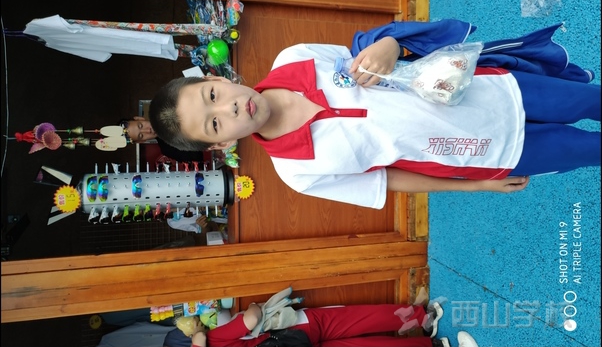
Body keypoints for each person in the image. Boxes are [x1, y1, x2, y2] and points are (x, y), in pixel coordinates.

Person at [149, 20, 600, 209]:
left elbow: (372, 54)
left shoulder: (295, 57)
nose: (228, 107)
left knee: (589, 100)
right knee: (589, 149)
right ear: (222, 143)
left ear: (219, 78)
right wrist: (476, 185)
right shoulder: (297, 173)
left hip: (488, 90)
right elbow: (390, 180)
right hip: (481, 152)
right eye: (215, 122)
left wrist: (390, 45)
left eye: (212, 94)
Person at [187, 301, 477, 347]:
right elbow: (251, 318)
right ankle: (423, 318)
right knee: (362, 319)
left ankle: (433, 345)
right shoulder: (212, 340)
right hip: (299, 328)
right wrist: (255, 306)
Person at [121, 116, 208, 163]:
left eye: (141, 125)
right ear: (141, 141)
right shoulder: (168, 150)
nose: (148, 130)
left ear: (139, 118)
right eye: (141, 135)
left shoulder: (167, 107)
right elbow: (199, 157)